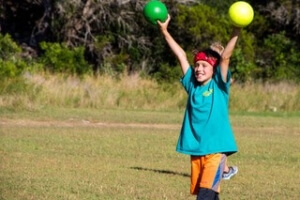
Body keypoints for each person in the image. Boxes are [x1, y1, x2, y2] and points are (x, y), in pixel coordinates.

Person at [157, 14, 240, 199]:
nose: (199, 69)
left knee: (205, 195)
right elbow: (180, 55)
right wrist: (164, 31)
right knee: (209, 195)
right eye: (197, 65)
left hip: (216, 152)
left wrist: (237, 30)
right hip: (197, 152)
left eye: (204, 65)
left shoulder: (219, 86)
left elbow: (225, 57)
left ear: (214, 69)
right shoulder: (192, 85)